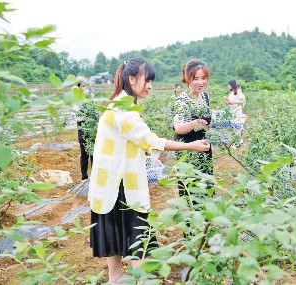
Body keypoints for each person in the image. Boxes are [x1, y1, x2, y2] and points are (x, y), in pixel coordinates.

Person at [87, 58, 210, 284]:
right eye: (147, 80)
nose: (150, 85)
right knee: (136, 234)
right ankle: (138, 279)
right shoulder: (124, 110)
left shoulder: (120, 103)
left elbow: (135, 142)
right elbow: (150, 140)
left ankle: (117, 279)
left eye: (152, 81)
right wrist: (190, 145)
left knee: (115, 234)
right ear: (131, 79)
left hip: (112, 181)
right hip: (120, 183)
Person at [74, 82, 94, 181]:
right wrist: (85, 116)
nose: (85, 88)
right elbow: (76, 117)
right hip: (82, 128)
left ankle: (95, 176)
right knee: (84, 153)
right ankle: (84, 177)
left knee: (93, 153)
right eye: (83, 86)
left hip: (91, 128)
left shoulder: (90, 100)